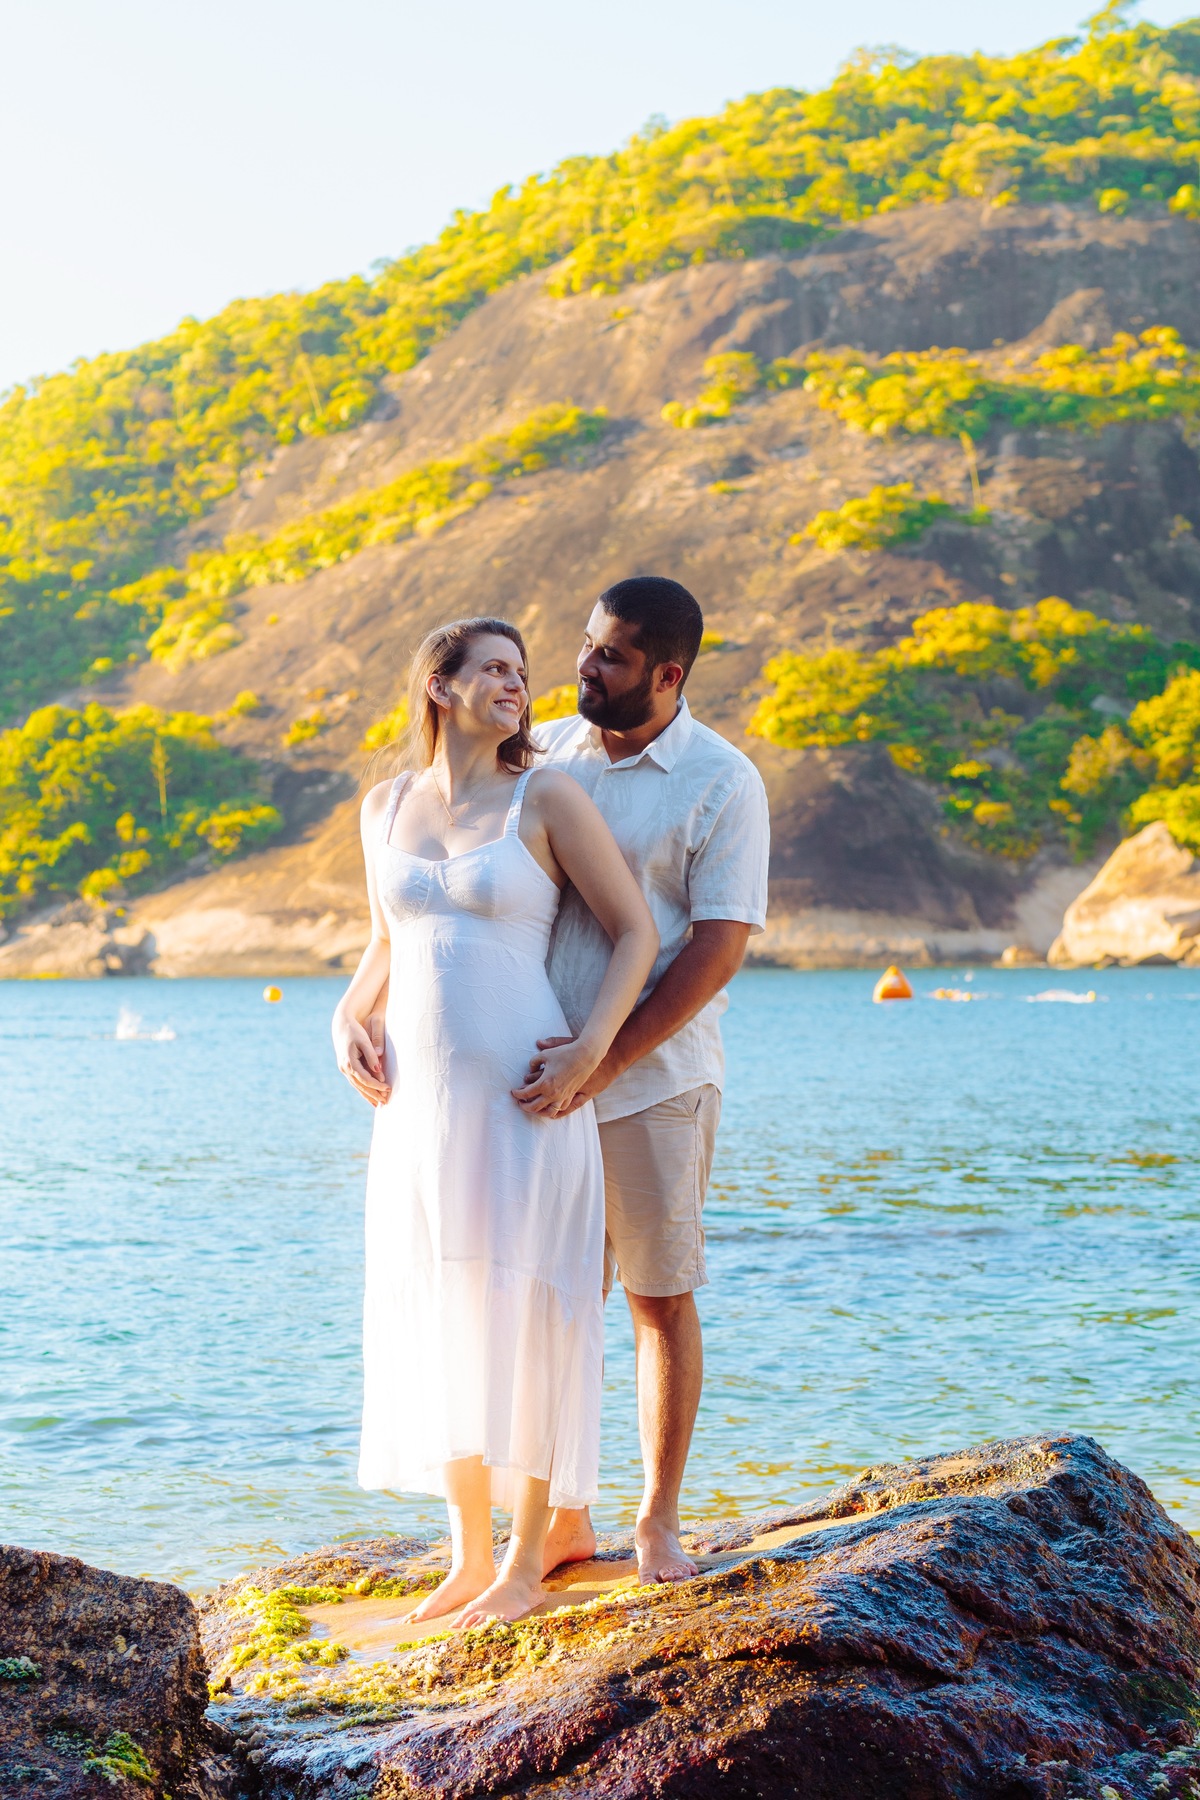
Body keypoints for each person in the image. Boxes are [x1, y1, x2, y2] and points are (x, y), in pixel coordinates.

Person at [332, 616, 658, 1628]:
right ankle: (468, 1556)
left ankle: (527, 1561)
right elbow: (389, 941)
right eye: (496, 670)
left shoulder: (545, 794)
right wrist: (346, 1011)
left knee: (529, 1312)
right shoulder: (383, 807)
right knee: (442, 1307)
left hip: (526, 1095)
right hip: (418, 1108)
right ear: (440, 685)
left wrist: (594, 1051)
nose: (519, 686)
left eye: (523, 671)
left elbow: (636, 930)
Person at [533, 576, 770, 1586]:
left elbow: (716, 950)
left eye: (613, 656)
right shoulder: (539, 754)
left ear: (668, 674)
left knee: (656, 1298)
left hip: (655, 1082)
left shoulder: (723, 780)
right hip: (535, 1083)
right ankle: (558, 1518)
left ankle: (657, 1525)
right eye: (587, 645)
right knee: (550, 1303)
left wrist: (608, 1055)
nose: (587, 665)